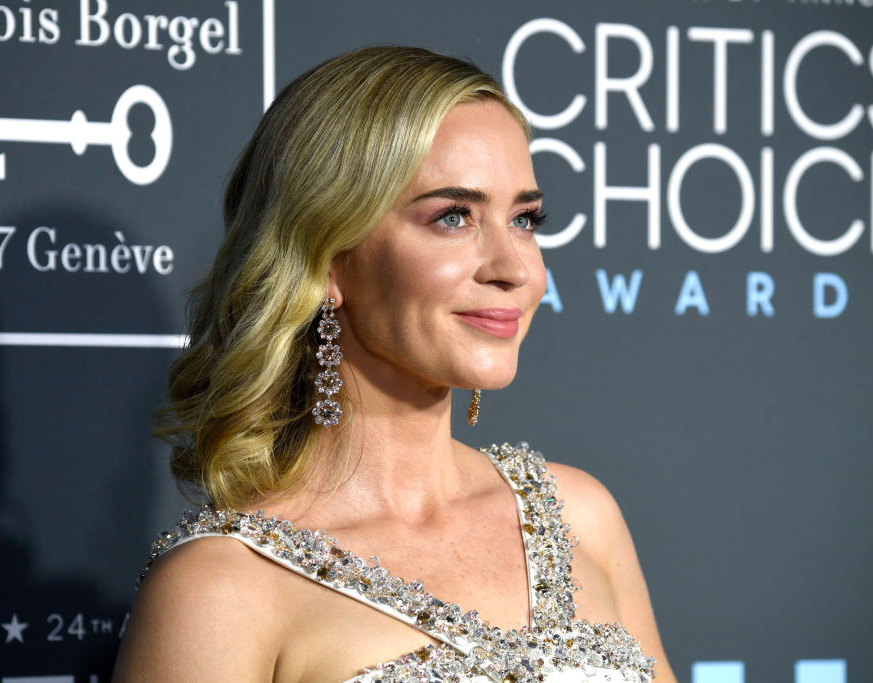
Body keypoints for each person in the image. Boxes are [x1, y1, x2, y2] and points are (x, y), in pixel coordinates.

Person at [112, 46, 675, 683]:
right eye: (454, 217)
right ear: (327, 257)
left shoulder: (581, 517)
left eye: (525, 219)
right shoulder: (221, 589)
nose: (516, 269)